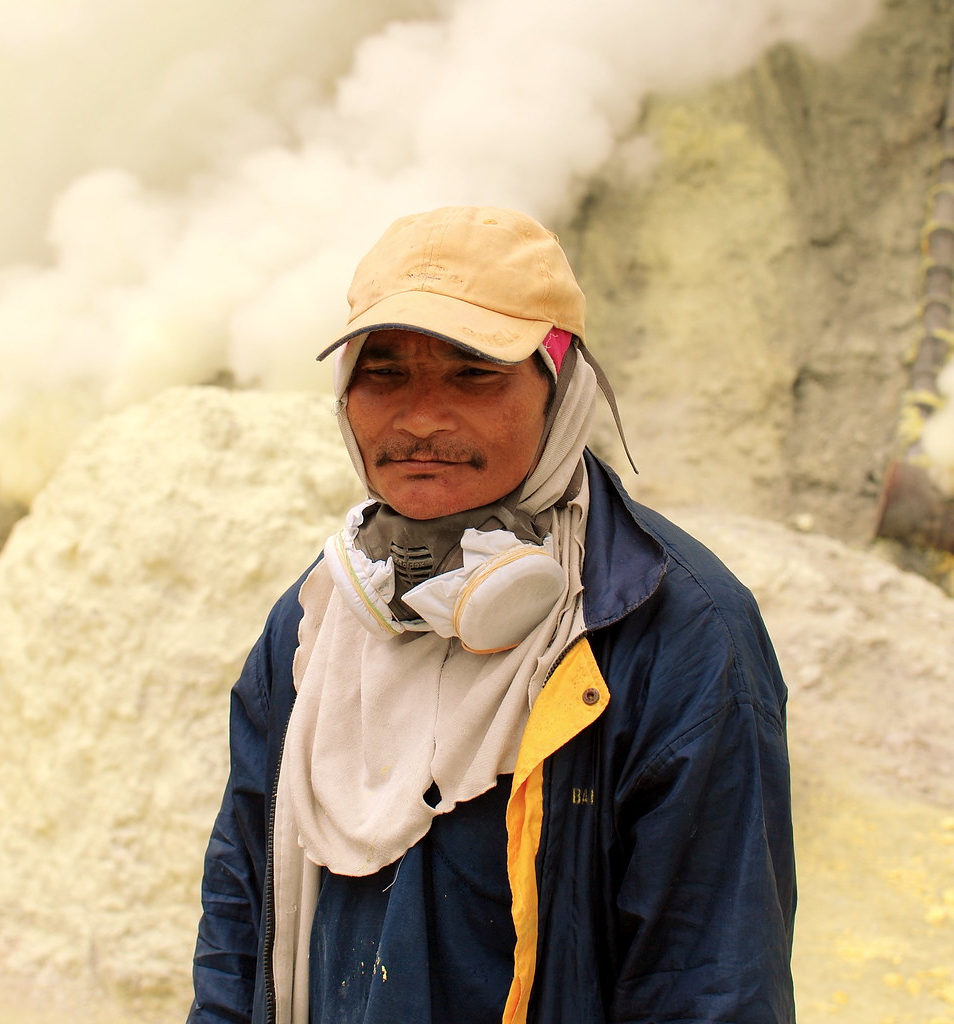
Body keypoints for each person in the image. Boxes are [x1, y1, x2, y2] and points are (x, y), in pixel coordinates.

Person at [187, 205, 796, 1024]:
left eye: (473, 372)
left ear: (563, 386)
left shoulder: (673, 635)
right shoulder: (316, 618)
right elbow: (239, 904)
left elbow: (708, 983)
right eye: (384, 371)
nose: (419, 418)